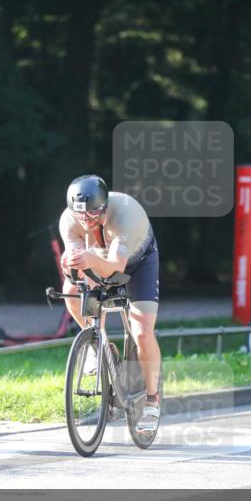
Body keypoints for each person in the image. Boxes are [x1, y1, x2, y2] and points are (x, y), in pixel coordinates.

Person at [58, 175, 162, 433]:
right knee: (70, 289)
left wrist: (87, 258)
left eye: (94, 215)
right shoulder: (68, 220)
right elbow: (76, 264)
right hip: (98, 258)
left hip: (137, 263)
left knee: (142, 332)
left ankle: (152, 401)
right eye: (82, 216)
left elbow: (116, 268)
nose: (88, 222)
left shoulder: (124, 214)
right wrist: (70, 264)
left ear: (105, 206)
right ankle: (98, 343)